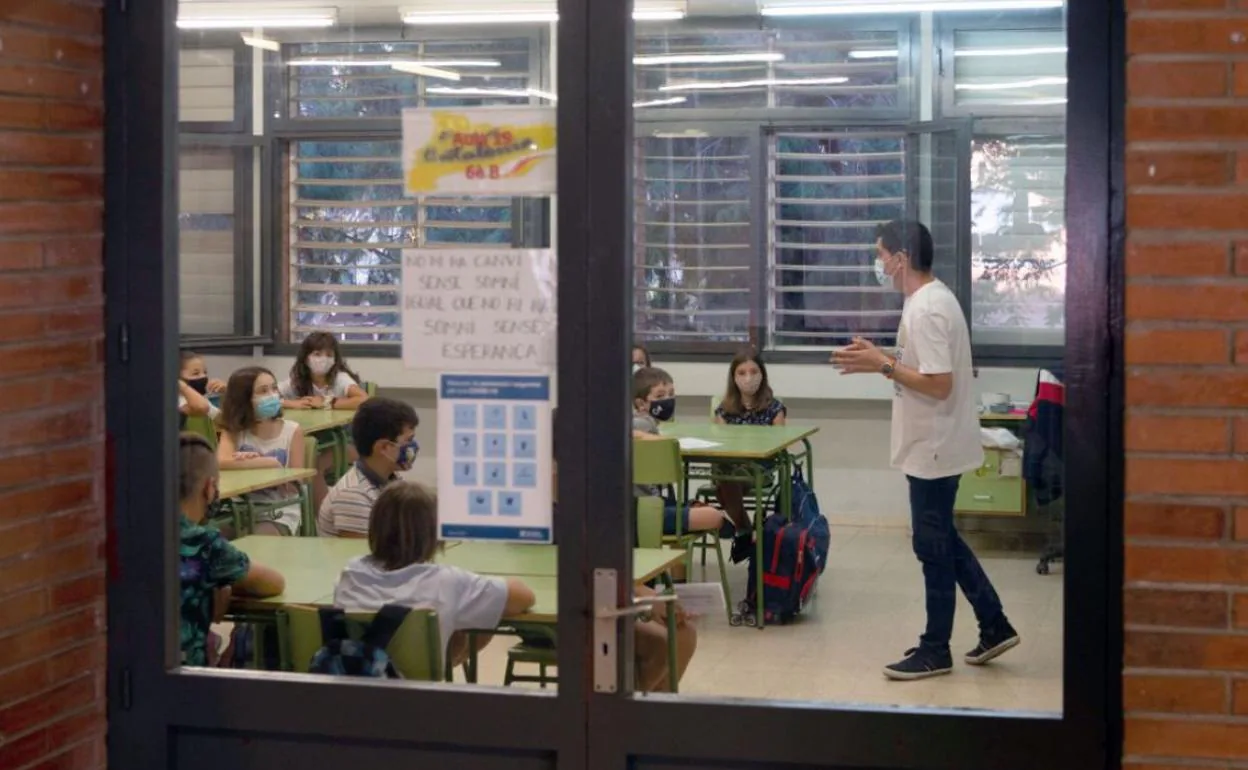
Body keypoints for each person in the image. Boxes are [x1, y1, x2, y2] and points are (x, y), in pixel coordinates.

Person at [833, 219, 1019, 681]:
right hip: (931, 443)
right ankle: (993, 624)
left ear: (901, 257)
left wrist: (883, 364)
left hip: (935, 446)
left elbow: (939, 385)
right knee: (939, 540)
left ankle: (936, 648)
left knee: (932, 546)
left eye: (880, 255)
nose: (878, 264)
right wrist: (882, 360)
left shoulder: (929, 309)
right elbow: (919, 370)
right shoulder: (925, 301)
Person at [333, 481, 536, 669]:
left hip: (353, 696)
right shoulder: (447, 581)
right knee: (475, 613)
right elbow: (524, 596)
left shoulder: (351, 573)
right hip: (420, 700)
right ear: (435, 535)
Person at [178, 432, 285, 667]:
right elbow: (273, 583)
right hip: (184, 678)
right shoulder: (205, 544)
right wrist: (224, 581)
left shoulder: (135, 531)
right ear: (209, 488)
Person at [713, 350, 787, 563]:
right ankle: (746, 528)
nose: (748, 377)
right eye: (742, 372)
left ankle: (742, 531)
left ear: (762, 375)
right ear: (733, 377)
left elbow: (778, 444)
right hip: (729, 465)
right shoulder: (724, 409)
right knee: (724, 477)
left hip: (760, 468)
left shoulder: (774, 408)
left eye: (754, 371)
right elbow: (720, 443)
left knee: (726, 484)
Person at [631, 367, 723, 538]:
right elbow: (624, 431)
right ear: (641, 404)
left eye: (671, 394)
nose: (668, 400)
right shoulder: (642, 423)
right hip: (641, 512)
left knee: (701, 509)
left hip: (654, 504)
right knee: (714, 516)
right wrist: (666, 444)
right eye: (659, 396)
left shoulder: (652, 424)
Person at [217, 367, 307, 536]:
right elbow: (221, 462)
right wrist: (264, 462)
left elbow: (296, 486)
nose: (272, 395)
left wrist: (264, 464)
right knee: (207, 541)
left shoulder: (292, 431)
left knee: (254, 542)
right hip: (237, 509)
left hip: (278, 512)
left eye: (274, 388)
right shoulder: (234, 431)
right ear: (244, 399)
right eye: (263, 391)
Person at [318, 397, 419, 538]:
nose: (413, 446)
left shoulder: (389, 480)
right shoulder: (353, 495)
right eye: (408, 440)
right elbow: (362, 557)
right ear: (383, 447)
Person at [279, 332, 369, 411]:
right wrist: (291, 403)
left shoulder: (341, 379)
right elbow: (267, 398)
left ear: (335, 360)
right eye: (317, 354)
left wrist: (326, 402)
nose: (323, 359)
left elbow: (364, 400)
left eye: (329, 355)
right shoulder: (297, 380)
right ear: (305, 358)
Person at [179, 351, 225, 422]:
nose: (203, 376)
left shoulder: (202, 400)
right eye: (195, 373)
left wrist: (228, 391)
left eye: (205, 372)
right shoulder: (177, 402)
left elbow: (225, 421)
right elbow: (202, 407)